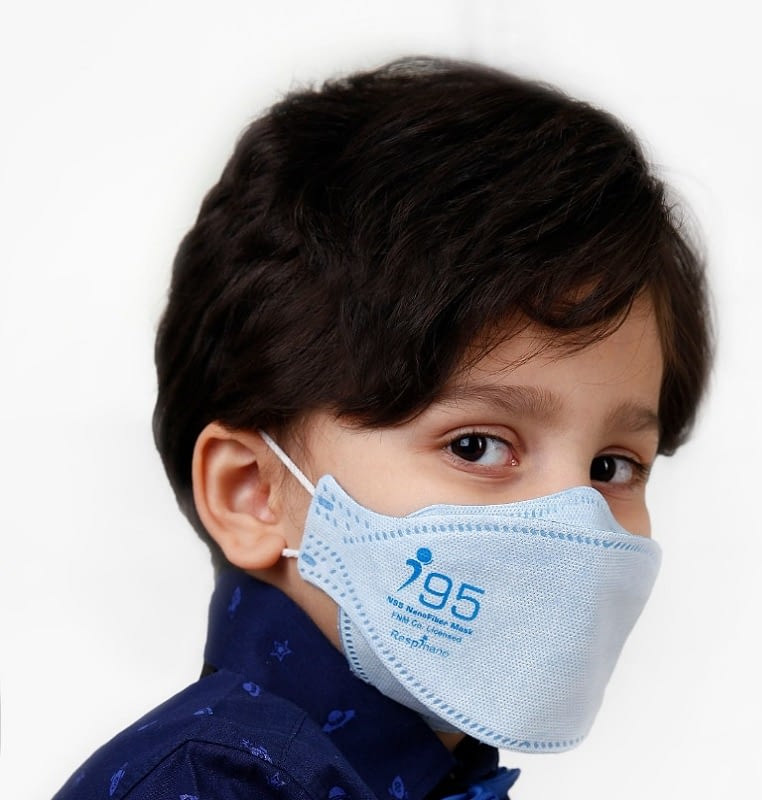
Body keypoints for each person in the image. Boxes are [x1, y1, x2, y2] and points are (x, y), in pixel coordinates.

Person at [53, 56, 712, 800]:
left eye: (612, 467)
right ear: (251, 493)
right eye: (476, 446)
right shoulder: (211, 781)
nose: (576, 522)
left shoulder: (427, 773)